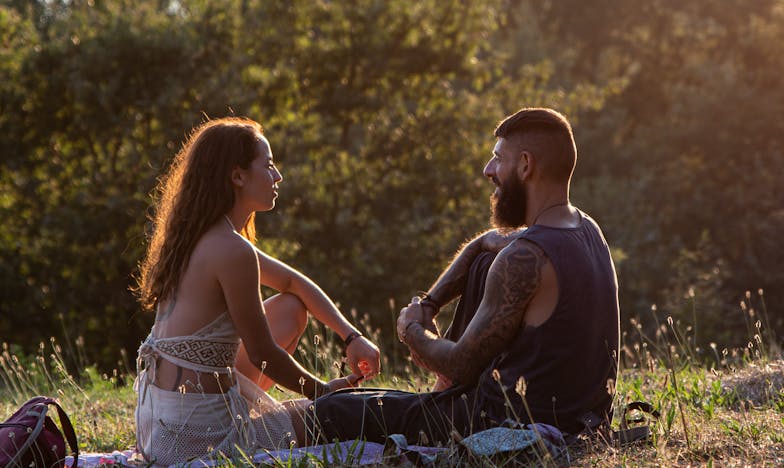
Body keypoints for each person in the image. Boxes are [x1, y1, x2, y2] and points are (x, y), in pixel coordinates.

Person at [307, 107, 620, 445]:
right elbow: (486, 243)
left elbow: (461, 365)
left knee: (334, 408)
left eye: (498, 158)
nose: (489, 170)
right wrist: (431, 303)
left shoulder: (524, 259)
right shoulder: (584, 227)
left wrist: (411, 329)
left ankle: (260, 436)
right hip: (581, 418)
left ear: (526, 165)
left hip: (502, 420)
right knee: (485, 261)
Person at [133, 117, 380, 465]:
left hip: (157, 426)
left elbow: (294, 283)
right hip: (195, 436)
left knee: (292, 306)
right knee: (341, 418)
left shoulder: (198, 236)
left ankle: (259, 411)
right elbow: (264, 352)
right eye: (268, 166)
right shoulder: (232, 250)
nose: (277, 176)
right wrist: (323, 395)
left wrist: (351, 336)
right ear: (237, 176)